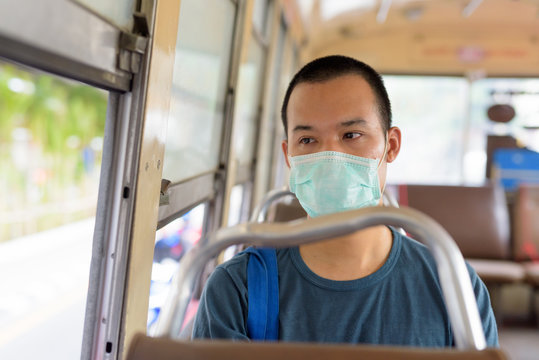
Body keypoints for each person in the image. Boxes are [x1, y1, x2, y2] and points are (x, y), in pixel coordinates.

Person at [192, 55, 498, 346]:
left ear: (390, 146)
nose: (331, 158)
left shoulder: (453, 285)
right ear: (289, 156)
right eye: (308, 140)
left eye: (351, 135)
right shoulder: (236, 289)